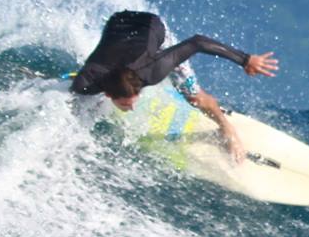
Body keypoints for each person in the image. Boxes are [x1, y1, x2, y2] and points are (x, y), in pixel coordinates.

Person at [69, 10, 279, 162]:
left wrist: (245, 59)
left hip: (150, 26)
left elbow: (197, 42)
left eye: (131, 101)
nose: (132, 107)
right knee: (85, 95)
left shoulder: (154, 70)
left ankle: (226, 128)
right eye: (125, 104)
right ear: (107, 93)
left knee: (194, 96)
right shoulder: (87, 81)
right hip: (117, 23)